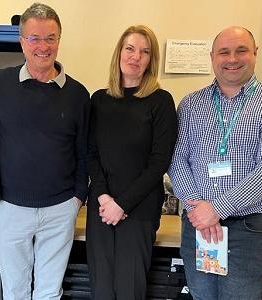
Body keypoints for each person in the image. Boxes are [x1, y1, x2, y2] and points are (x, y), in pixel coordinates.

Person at [168, 26, 262, 300]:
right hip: (198, 224)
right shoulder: (191, 105)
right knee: (201, 296)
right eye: (224, 52)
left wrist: (217, 209)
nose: (232, 59)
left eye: (241, 50)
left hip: (250, 229)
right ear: (212, 56)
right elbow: (177, 159)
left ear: (255, 53)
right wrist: (198, 207)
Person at [0, 3, 90, 299]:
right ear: (22, 42)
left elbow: (84, 151)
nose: (42, 46)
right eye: (34, 38)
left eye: (50, 38)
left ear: (59, 41)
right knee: (15, 291)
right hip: (11, 208)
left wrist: (77, 199)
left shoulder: (78, 95)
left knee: (48, 292)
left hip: (60, 209)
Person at [86, 24, 178, 299]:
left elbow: (160, 161)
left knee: (129, 290)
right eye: (130, 48)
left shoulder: (160, 102)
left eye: (144, 51)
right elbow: (91, 154)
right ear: (119, 53)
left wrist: (122, 205)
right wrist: (104, 198)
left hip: (139, 211)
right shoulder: (99, 100)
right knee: (101, 289)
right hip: (101, 208)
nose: (135, 56)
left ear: (151, 60)